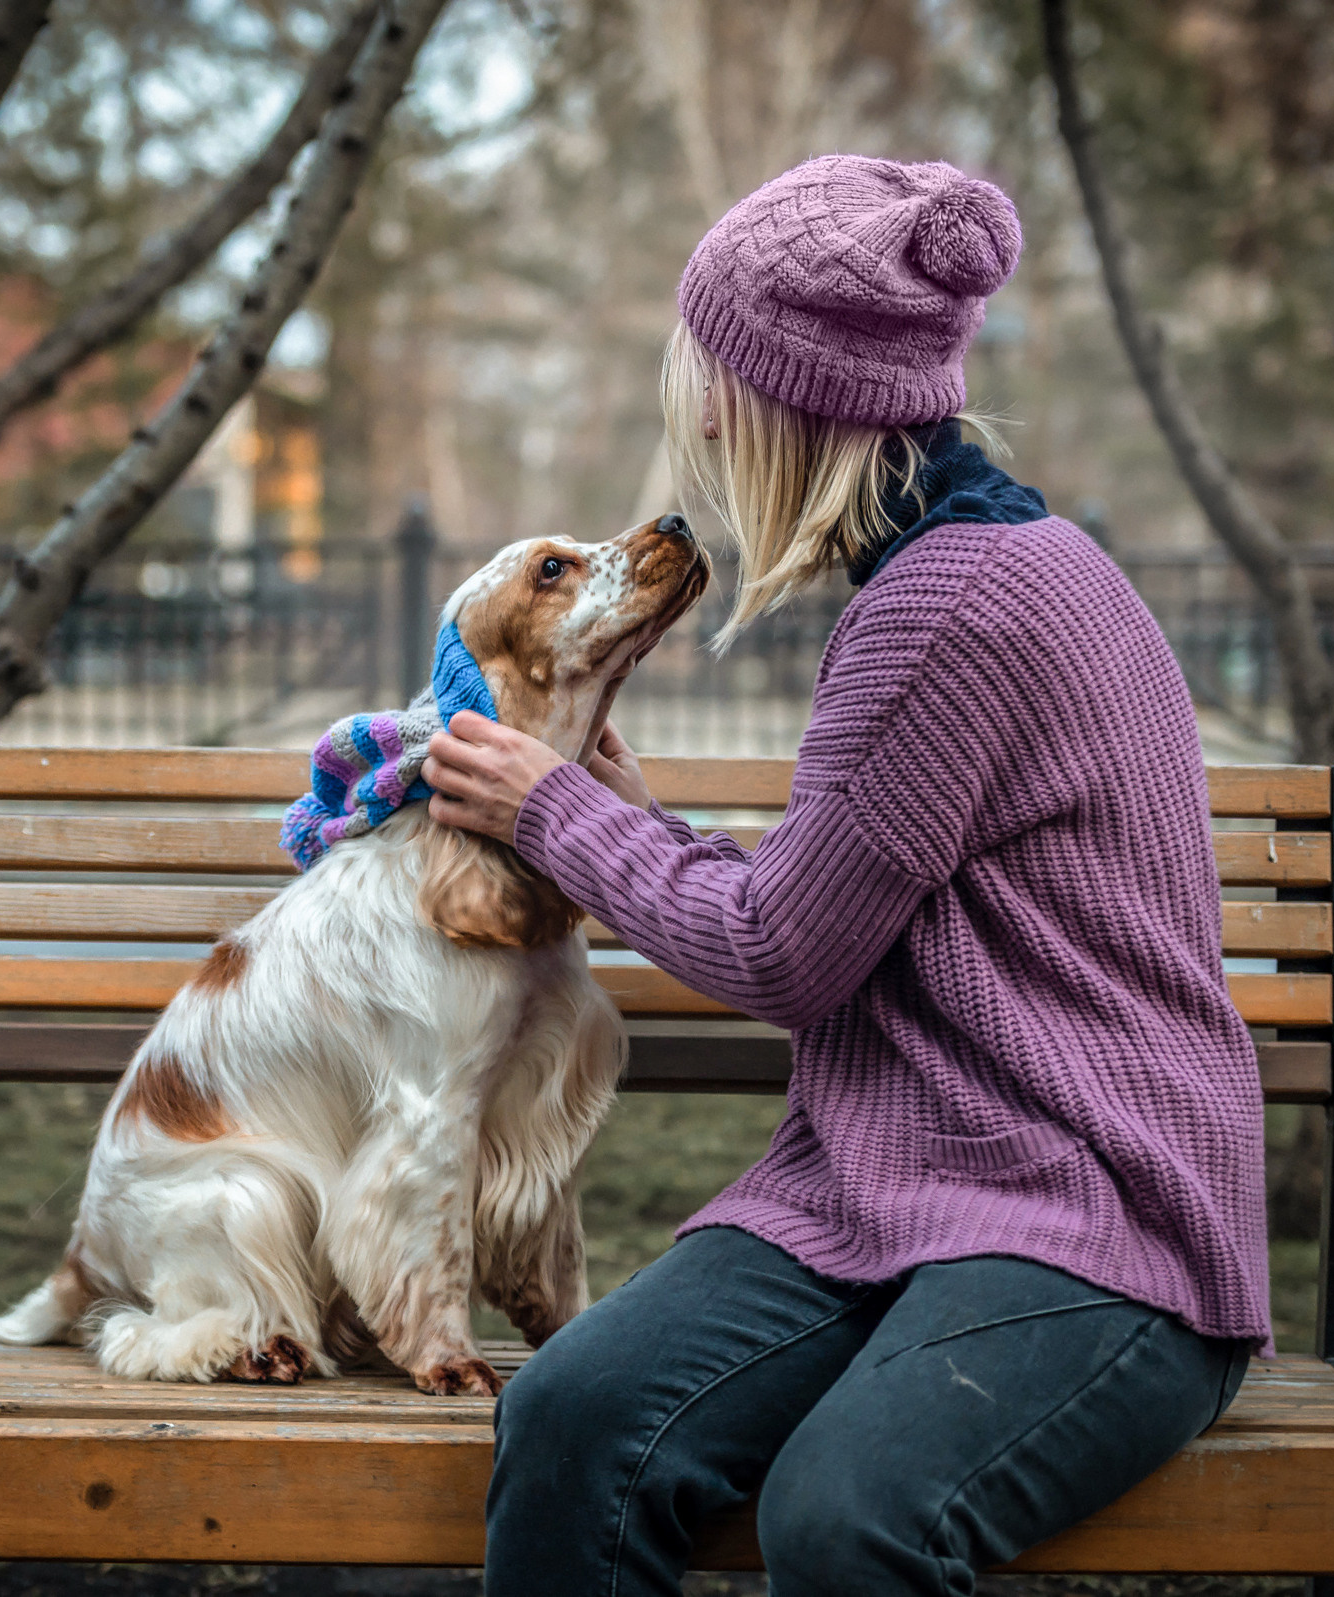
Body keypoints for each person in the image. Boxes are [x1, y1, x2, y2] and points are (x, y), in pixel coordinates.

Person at [421, 155, 1272, 1595]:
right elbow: (850, 896)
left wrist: (556, 807)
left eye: (710, 376)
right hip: (892, 1189)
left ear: (788, 398)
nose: (695, 412)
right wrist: (633, 817)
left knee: (849, 1513)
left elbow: (780, 953)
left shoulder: (944, 609)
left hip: (1102, 1216)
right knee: (571, 1419)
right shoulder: (992, 560)